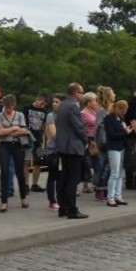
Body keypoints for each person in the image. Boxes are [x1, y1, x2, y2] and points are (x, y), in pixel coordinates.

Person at [54, 83, 89, 218]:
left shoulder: (62, 104)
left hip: (63, 146)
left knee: (64, 178)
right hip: (73, 147)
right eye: (81, 92)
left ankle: (62, 208)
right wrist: (86, 140)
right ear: (75, 93)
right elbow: (78, 127)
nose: (82, 95)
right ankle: (72, 210)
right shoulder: (73, 106)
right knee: (72, 180)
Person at [0, 94, 30, 211]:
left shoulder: (19, 115)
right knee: (4, 172)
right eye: (6, 107)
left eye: (10, 107)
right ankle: (4, 201)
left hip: (17, 145)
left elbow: (24, 130)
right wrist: (14, 128)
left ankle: (23, 197)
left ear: (14, 105)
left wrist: (8, 132)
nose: (8, 109)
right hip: (4, 146)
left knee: (19, 172)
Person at [102, 99, 132, 206]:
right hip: (113, 147)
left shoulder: (120, 118)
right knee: (114, 172)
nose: (124, 111)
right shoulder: (109, 119)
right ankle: (110, 197)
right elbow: (111, 134)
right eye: (122, 109)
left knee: (120, 173)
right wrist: (125, 132)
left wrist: (125, 132)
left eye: (126, 109)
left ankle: (118, 196)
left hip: (121, 146)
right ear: (117, 108)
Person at [25, 93, 50, 193]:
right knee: (26, 162)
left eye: (44, 104)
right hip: (27, 138)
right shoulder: (27, 109)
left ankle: (35, 184)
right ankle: (25, 184)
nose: (42, 106)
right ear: (38, 99)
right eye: (42, 103)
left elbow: (46, 125)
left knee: (38, 162)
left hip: (38, 138)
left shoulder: (44, 112)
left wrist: (47, 139)